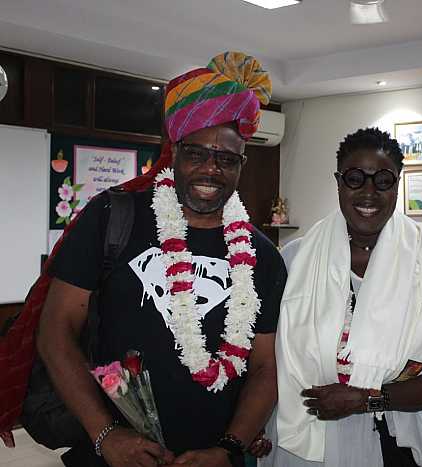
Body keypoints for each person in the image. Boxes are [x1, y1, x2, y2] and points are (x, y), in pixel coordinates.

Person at [35, 51, 285, 467]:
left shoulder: (263, 257)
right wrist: (106, 435)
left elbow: (264, 367)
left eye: (227, 159)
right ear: (175, 152)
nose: (211, 169)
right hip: (111, 453)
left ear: (241, 163)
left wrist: (228, 449)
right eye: (196, 153)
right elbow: (55, 331)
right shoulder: (111, 218)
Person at [265, 128, 422, 467]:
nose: (369, 193)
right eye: (355, 179)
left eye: (383, 180)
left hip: (392, 443)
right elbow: (268, 361)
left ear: (397, 185)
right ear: (338, 182)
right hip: (302, 440)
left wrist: (366, 400)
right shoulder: (295, 261)